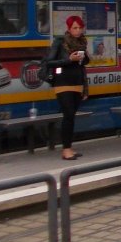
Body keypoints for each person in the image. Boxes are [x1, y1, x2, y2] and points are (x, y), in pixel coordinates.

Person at [45, 15, 90, 160]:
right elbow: (49, 62)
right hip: (62, 83)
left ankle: (69, 146)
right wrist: (68, 60)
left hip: (77, 83)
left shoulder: (82, 43)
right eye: (74, 28)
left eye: (79, 28)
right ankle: (66, 149)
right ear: (69, 29)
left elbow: (84, 65)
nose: (77, 31)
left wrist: (84, 58)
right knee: (68, 114)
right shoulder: (60, 42)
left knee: (71, 116)